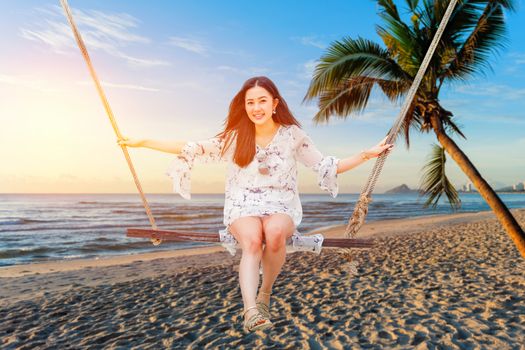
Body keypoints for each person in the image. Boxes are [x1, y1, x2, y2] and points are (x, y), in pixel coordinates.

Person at [118, 76, 393, 332]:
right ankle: (251, 311)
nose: (256, 107)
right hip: (242, 205)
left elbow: (326, 166)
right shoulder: (237, 137)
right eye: (250, 102)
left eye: (262, 100)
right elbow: (192, 147)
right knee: (252, 240)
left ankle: (265, 293)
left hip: (281, 205)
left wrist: (366, 155)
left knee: (274, 235)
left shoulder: (293, 135)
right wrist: (142, 142)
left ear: (275, 104)